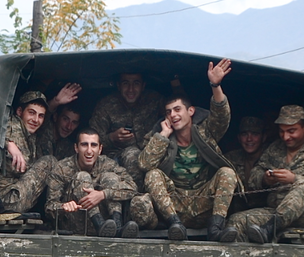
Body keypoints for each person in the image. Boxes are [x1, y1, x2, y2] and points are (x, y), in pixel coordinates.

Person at [129, 59, 239, 242]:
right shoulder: (162, 137)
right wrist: (163, 135)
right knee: (152, 174)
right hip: (174, 206)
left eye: (177, 109)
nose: (173, 115)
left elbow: (222, 116)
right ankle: (176, 226)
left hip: (204, 203)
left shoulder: (205, 131)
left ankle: (216, 228)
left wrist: (215, 85)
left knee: (227, 173)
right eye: (168, 112)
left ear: (191, 111)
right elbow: (144, 164)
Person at [226, 105, 304, 243]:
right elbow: (255, 174)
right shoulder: (275, 148)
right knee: (237, 221)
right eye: (282, 131)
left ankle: (270, 228)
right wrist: (265, 179)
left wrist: (294, 178)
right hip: (275, 211)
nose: (286, 137)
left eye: (291, 131)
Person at [0, 86, 81, 214]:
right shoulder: (13, 126)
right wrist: (8, 143)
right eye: (31, 113)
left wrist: (56, 101)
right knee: (49, 162)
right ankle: (54, 207)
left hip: (14, 194)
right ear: (19, 112)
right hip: (9, 199)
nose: (35, 120)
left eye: (41, 116)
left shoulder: (30, 134)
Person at [45, 128, 139, 237]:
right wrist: (64, 207)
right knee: (82, 176)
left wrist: (103, 194)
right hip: (75, 224)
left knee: (110, 177)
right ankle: (99, 224)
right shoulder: (62, 168)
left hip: (109, 227)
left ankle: (117, 227)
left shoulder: (108, 164)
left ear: (100, 149)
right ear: (76, 148)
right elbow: (49, 208)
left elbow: (133, 188)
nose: (89, 151)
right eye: (84, 145)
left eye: (93, 145)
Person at [89, 73, 163, 189]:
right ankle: (135, 195)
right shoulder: (106, 105)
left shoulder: (154, 100)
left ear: (143, 86)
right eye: (125, 83)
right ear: (118, 86)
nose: (130, 89)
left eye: (136, 83)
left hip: (150, 153)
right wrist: (112, 138)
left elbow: (180, 110)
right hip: (116, 159)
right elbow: (90, 139)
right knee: (132, 154)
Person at [226, 116, 268, 211]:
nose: (249, 139)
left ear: (263, 137)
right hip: (236, 210)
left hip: (265, 211)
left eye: (255, 134)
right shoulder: (230, 158)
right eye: (244, 134)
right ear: (239, 138)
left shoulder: (272, 157)